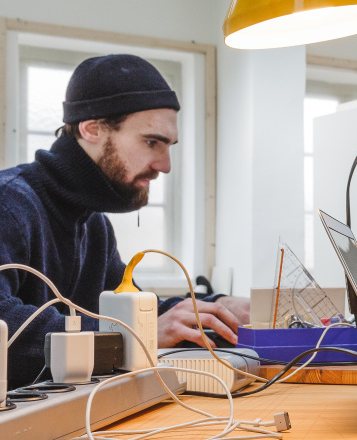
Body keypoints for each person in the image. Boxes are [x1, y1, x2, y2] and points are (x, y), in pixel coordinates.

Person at [0, 54, 249, 389]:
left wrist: (217, 310)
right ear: (92, 128)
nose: (165, 165)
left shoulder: (93, 225)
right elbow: (4, 324)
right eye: (151, 142)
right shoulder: (9, 204)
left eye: (169, 146)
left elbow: (133, 314)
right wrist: (138, 336)